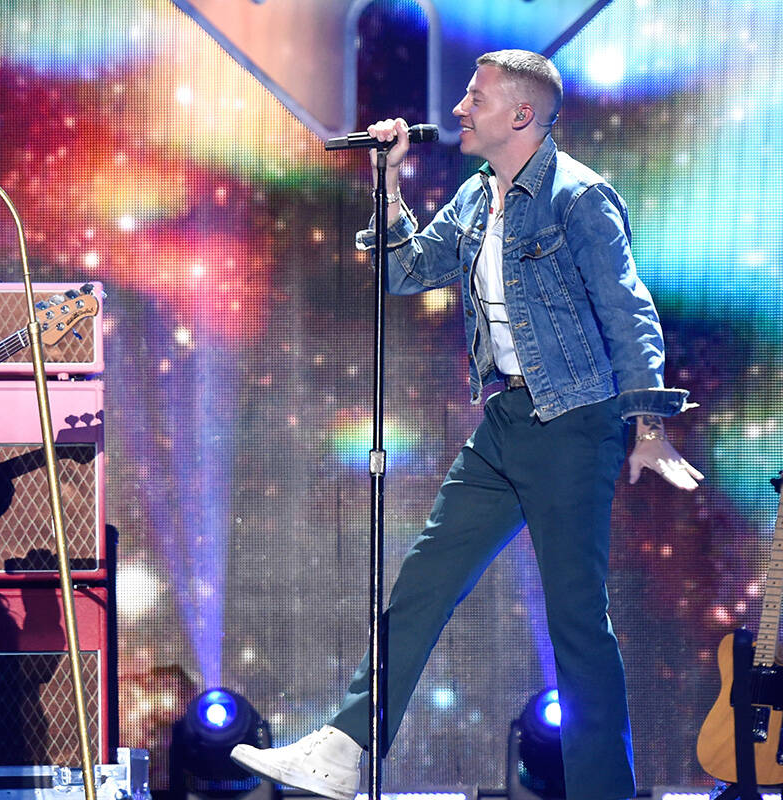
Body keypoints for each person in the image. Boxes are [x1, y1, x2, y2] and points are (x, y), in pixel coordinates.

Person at [230, 50, 703, 800]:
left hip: (576, 422)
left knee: (578, 626)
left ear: (520, 114)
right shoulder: (479, 197)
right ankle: (346, 748)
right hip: (507, 421)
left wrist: (646, 424)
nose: (457, 110)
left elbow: (628, 307)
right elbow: (405, 271)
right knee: (422, 581)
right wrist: (387, 183)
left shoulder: (580, 198)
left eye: (474, 99)